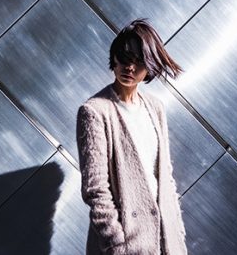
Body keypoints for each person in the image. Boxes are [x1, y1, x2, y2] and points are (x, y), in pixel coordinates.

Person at [76, 18, 188, 255]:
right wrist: (117, 244)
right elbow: (96, 189)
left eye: (138, 62)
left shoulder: (155, 107)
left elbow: (165, 176)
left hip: (165, 240)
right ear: (114, 58)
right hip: (127, 244)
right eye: (125, 59)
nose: (129, 68)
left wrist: (177, 232)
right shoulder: (95, 111)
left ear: (149, 67)